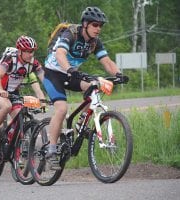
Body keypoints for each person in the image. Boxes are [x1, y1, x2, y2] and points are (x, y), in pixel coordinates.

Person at [43, 7, 129, 169]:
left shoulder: (95, 42)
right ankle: (51, 150)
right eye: (95, 25)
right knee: (61, 109)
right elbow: (60, 53)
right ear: (85, 24)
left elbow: (107, 62)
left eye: (101, 26)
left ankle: (81, 121)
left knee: (96, 86)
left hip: (71, 74)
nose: (98, 29)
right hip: (53, 73)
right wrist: (69, 69)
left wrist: (119, 74)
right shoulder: (71, 34)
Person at [0, 35, 45, 147]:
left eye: (32, 51)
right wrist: (0, 90)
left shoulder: (33, 63)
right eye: (28, 51)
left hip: (13, 92)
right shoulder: (10, 59)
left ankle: (9, 142)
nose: (31, 54)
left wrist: (50, 96)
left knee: (19, 118)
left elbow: (45, 79)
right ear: (20, 51)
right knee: (6, 106)